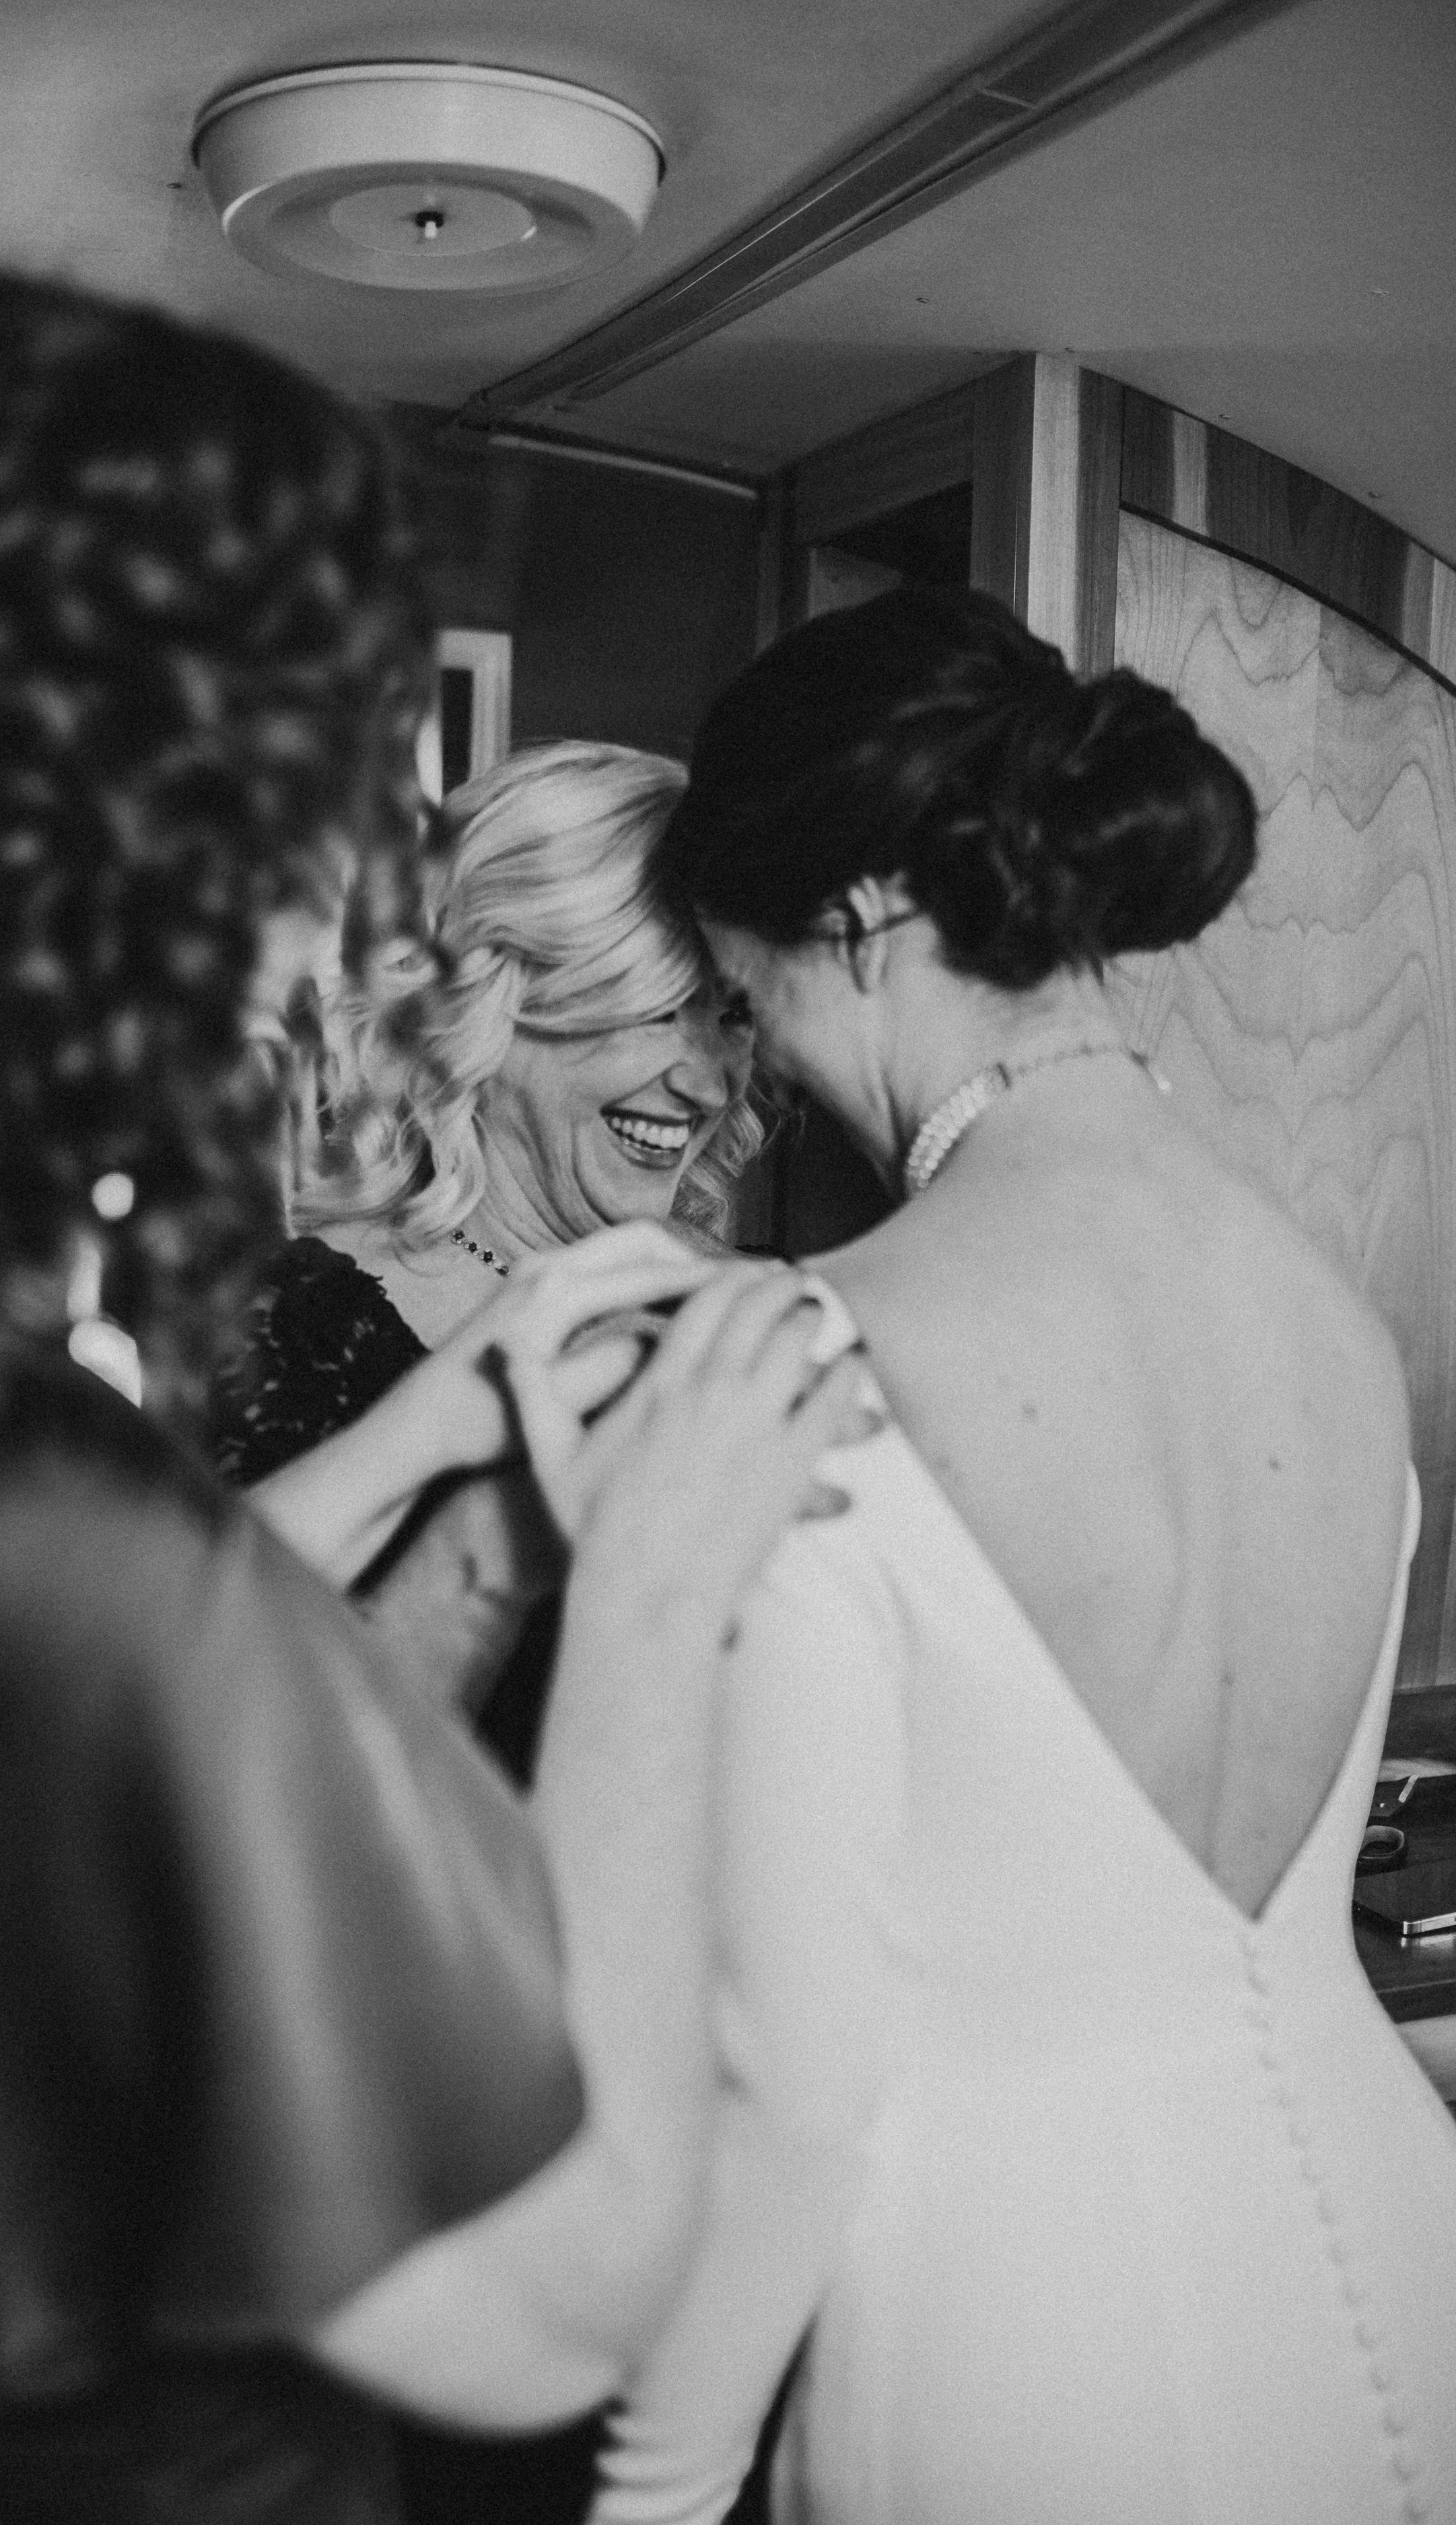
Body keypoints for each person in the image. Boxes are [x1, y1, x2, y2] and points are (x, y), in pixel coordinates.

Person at [0, 271, 873, 2525]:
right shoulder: (3, 1498)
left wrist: (450, 1440)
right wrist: (646, 1582)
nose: (334, 927)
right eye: (300, 814)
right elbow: (549, 2301)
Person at [590, 584, 1456, 2525]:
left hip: (1026, 2361)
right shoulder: (1327, 1322)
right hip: (1406, 2273)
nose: (766, 1067)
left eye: (751, 996)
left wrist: (657, 2488)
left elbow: (791, 2093)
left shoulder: (803, 1356)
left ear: (858, 922)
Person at [211, 739, 763, 1776]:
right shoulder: (278, 1329)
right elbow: (204, 1759)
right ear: (483, 1005)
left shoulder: (751, 1309)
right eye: (653, 1010)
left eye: (729, 1014)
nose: (705, 1082)